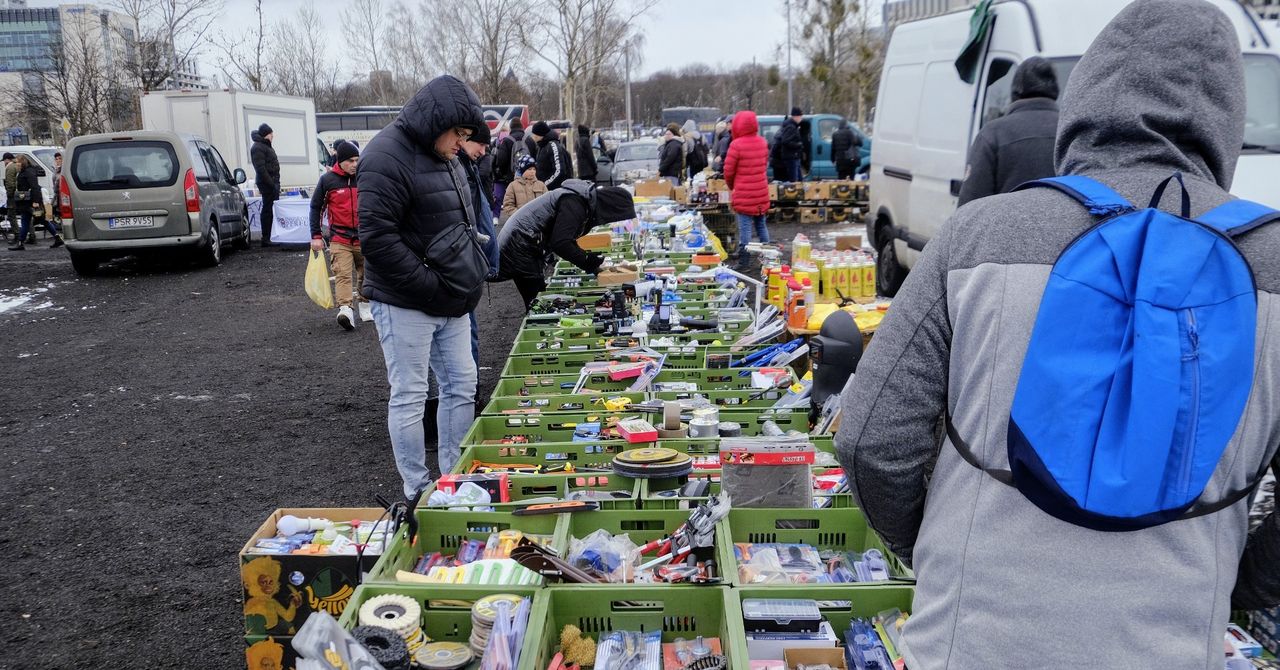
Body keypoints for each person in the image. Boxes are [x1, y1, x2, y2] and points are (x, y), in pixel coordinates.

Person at [834, 2, 1280, 667]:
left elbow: (872, 439)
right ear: (1225, 114)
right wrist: (1238, 581)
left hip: (972, 640)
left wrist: (936, 545)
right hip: (1170, 643)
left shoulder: (978, 235)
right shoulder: (1270, 260)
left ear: (1089, 95)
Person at [359, 74, 488, 500]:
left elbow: (461, 223)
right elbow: (377, 239)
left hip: (448, 299)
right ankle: (416, 488)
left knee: (462, 384)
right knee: (412, 394)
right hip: (404, 302)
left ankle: (453, 479)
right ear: (439, 122)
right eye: (460, 133)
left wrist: (465, 278)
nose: (462, 142)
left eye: (467, 135)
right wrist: (431, 286)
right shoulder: (384, 154)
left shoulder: (445, 154)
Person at [496, 179, 635, 309]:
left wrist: (592, 266)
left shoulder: (583, 202)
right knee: (536, 299)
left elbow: (567, 240)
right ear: (610, 208)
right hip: (519, 243)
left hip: (526, 240)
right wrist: (587, 260)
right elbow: (561, 243)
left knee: (537, 295)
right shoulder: (574, 203)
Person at [958, 56, 1061, 205]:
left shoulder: (994, 133)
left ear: (1015, 91)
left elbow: (969, 206)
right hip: (1069, 228)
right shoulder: (1071, 131)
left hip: (1006, 227)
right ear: (1055, 92)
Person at [309, 140, 368, 331]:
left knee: (367, 273)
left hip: (365, 237)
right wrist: (316, 235)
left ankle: (365, 303)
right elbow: (316, 207)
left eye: (357, 160)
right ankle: (346, 310)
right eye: (350, 160)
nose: (355, 164)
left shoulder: (365, 177)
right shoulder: (328, 180)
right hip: (339, 238)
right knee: (342, 274)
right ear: (340, 161)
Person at [456, 126, 501, 364]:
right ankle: (469, 392)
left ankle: (470, 390)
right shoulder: (458, 167)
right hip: (462, 260)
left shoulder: (468, 166)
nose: (483, 152)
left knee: (466, 329)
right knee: (464, 331)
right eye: (480, 145)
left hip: (469, 257)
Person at [723, 111, 769, 265]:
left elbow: (728, 172)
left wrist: (732, 187)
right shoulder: (763, 142)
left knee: (745, 229)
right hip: (761, 192)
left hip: (744, 194)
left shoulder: (736, 145)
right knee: (761, 225)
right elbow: (764, 165)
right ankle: (769, 259)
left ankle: (744, 262)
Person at [7, 155, 62, 251]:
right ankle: (57, 238)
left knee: (31, 221)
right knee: (37, 220)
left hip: (30, 201)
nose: (16, 164)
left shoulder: (28, 172)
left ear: (22, 162)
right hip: (28, 201)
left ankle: (21, 243)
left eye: (17, 162)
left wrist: (36, 201)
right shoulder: (27, 171)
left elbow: (35, 187)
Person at [251, 123, 281, 247]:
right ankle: (266, 237)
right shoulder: (258, 147)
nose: (272, 136)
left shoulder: (265, 146)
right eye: (271, 133)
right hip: (267, 184)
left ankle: (271, 236)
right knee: (268, 210)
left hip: (272, 183)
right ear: (266, 134)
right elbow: (261, 169)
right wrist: (271, 183)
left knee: (271, 210)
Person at [492, 119, 528, 217]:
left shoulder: (507, 140)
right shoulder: (528, 139)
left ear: (511, 128)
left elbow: (501, 160)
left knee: (512, 199)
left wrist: (505, 174)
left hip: (511, 176)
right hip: (528, 176)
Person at [529, 121, 573, 191]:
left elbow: (559, 171)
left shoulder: (553, 146)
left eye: (534, 135)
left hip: (554, 190)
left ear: (539, 134)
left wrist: (544, 185)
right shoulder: (541, 146)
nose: (533, 137)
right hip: (546, 189)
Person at [501, 155, 546, 222]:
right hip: (520, 223)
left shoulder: (541, 185)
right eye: (529, 169)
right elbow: (508, 205)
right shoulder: (513, 185)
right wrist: (520, 215)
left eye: (534, 169)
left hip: (539, 222)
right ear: (522, 170)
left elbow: (547, 203)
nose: (532, 172)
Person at [774, 107, 805, 182]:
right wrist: (798, 144)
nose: (801, 118)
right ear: (796, 116)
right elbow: (785, 141)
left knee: (799, 180)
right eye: (800, 116)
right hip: (791, 157)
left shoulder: (793, 126)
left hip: (794, 156)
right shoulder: (791, 127)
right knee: (794, 181)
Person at [3, 152, 17, 242]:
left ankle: (17, 235)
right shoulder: (17, 165)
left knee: (11, 215)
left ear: (7, 159)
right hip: (20, 194)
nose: (4, 163)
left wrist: (8, 194)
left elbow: (10, 184)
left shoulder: (10, 167)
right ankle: (31, 235)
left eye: (4, 160)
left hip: (12, 196)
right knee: (25, 215)